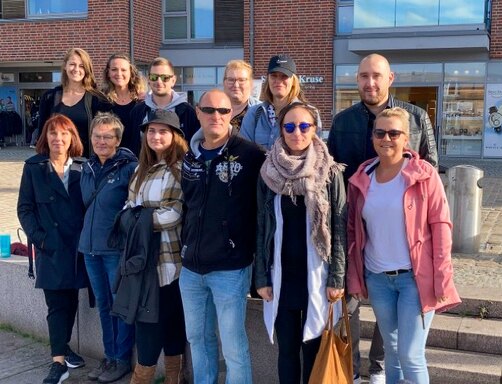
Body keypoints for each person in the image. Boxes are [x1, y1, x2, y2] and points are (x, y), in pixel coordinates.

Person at [327, 53, 438, 384]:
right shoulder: (343, 121)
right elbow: (332, 177)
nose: (369, 82)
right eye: (363, 76)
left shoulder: (416, 117)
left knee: (399, 341)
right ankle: (355, 371)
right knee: (351, 302)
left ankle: (377, 369)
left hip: (403, 239)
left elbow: (431, 169)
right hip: (355, 229)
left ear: (391, 78)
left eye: (376, 75)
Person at [347, 108, 460, 384]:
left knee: (410, 354)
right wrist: (355, 276)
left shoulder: (424, 174)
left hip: (415, 279)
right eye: (380, 132)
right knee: (393, 352)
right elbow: (353, 230)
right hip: (378, 279)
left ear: (406, 138)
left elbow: (441, 226)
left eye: (394, 133)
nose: (387, 138)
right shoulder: (362, 176)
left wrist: (443, 276)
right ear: (373, 137)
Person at [254, 102, 347, 384]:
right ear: (281, 131)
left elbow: (339, 227)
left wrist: (337, 277)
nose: (297, 132)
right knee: (287, 350)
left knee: (314, 348)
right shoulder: (267, 172)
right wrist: (260, 276)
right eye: (290, 126)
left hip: (317, 276)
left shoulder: (330, 172)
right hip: (281, 276)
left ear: (314, 129)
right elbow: (260, 226)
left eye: (304, 126)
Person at [179, 89, 265, 384]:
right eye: (210, 110)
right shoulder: (190, 156)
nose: (216, 116)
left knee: (232, 344)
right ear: (198, 113)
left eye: (224, 111)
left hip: (230, 268)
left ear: (232, 115)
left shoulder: (251, 154)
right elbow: (187, 206)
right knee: (197, 339)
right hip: (191, 268)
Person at [111, 109, 188, 384]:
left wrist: (139, 217)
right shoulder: (139, 170)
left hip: (169, 261)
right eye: (151, 131)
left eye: (163, 131)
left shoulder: (178, 169)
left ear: (175, 136)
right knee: (147, 324)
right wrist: (140, 216)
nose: (156, 136)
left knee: (170, 325)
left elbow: (174, 214)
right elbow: (126, 209)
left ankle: (172, 378)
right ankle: (142, 378)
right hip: (142, 262)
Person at [17, 114, 88, 384]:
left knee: (70, 301)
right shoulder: (34, 168)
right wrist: (41, 239)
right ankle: (58, 362)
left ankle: (64, 346)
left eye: (64, 134)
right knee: (56, 304)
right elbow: (24, 208)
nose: (58, 139)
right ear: (45, 137)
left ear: (72, 138)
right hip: (52, 247)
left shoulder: (84, 167)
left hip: (78, 248)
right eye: (53, 134)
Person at [79, 112, 138, 383]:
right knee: (103, 305)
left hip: (115, 250)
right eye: (97, 136)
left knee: (118, 306)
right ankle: (111, 356)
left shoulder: (129, 167)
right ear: (90, 138)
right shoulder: (87, 168)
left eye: (107, 137)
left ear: (118, 139)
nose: (101, 141)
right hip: (90, 250)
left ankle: (122, 359)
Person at [37, 48, 112, 157]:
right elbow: (42, 135)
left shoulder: (98, 99)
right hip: (56, 163)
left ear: (87, 69)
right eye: (72, 64)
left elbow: (106, 135)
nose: (76, 69)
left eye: (81, 66)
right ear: (65, 67)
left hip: (87, 164)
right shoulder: (50, 97)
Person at [240, 54, 320, 150]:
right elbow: (244, 151)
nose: (278, 81)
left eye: (284, 76)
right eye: (274, 76)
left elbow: (314, 151)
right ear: (268, 79)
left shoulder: (310, 114)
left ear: (293, 81)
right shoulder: (254, 113)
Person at [124, 57, 200, 155]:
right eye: (154, 77)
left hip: (178, 168)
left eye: (165, 78)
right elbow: (132, 145)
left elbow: (193, 147)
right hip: (144, 168)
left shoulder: (188, 112)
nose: (159, 81)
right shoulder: (138, 111)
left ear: (173, 80)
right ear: (148, 79)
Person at [101, 53, 147, 148]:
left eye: (123, 70)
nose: (119, 74)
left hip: (138, 159)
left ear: (131, 73)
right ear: (108, 73)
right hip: (111, 158)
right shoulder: (101, 101)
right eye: (114, 69)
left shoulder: (142, 101)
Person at [222, 59, 261, 133]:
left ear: (251, 83)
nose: (236, 85)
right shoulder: (214, 109)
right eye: (231, 80)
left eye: (241, 80)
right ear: (224, 82)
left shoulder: (261, 111)